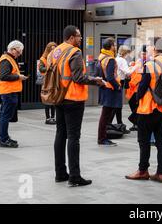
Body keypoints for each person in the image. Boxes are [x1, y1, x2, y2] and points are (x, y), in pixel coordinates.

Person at [51, 25, 104, 187]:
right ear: (72, 37)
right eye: (79, 36)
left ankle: (60, 173)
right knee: (74, 137)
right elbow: (78, 77)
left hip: (58, 97)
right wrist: (96, 80)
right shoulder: (75, 52)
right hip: (73, 99)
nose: (81, 39)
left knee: (61, 134)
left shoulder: (56, 51)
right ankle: (74, 176)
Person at [125, 37, 162, 183]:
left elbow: (142, 88)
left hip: (148, 109)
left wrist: (137, 99)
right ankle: (161, 173)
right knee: (161, 142)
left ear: (154, 47)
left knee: (143, 140)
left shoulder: (150, 65)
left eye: (150, 45)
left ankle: (143, 170)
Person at [0, 40, 28, 148]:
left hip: (10, 91)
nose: (20, 54)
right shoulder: (6, 60)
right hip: (8, 92)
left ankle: (5, 137)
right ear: (13, 49)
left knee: (6, 115)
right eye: (19, 52)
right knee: (5, 116)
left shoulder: (10, 59)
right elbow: (4, 76)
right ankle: (4, 139)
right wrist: (18, 77)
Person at [97, 38, 122, 146]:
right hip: (110, 90)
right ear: (111, 46)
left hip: (104, 88)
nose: (115, 47)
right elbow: (111, 77)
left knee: (105, 115)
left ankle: (103, 137)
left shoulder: (101, 56)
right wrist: (118, 87)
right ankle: (102, 138)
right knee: (106, 116)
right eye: (115, 45)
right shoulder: (110, 59)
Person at [114, 45, 136, 133]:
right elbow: (128, 73)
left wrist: (129, 65)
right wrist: (135, 67)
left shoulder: (117, 58)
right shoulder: (122, 60)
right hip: (120, 82)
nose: (128, 55)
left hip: (116, 81)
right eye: (128, 53)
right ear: (125, 53)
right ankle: (120, 125)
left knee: (117, 104)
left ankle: (119, 123)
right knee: (118, 105)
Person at [126, 45, 147, 131]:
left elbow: (140, 73)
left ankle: (136, 122)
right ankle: (136, 123)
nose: (142, 54)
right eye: (142, 53)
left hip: (139, 87)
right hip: (134, 87)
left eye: (144, 53)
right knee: (133, 104)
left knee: (136, 105)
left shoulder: (147, 62)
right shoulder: (140, 61)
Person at [38, 41, 57, 125]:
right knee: (46, 99)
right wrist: (48, 68)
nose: (53, 50)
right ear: (48, 49)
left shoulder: (56, 58)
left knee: (53, 99)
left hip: (54, 80)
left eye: (54, 48)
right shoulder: (43, 58)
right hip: (46, 81)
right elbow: (41, 68)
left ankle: (53, 117)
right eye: (51, 49)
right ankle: (47, 118)